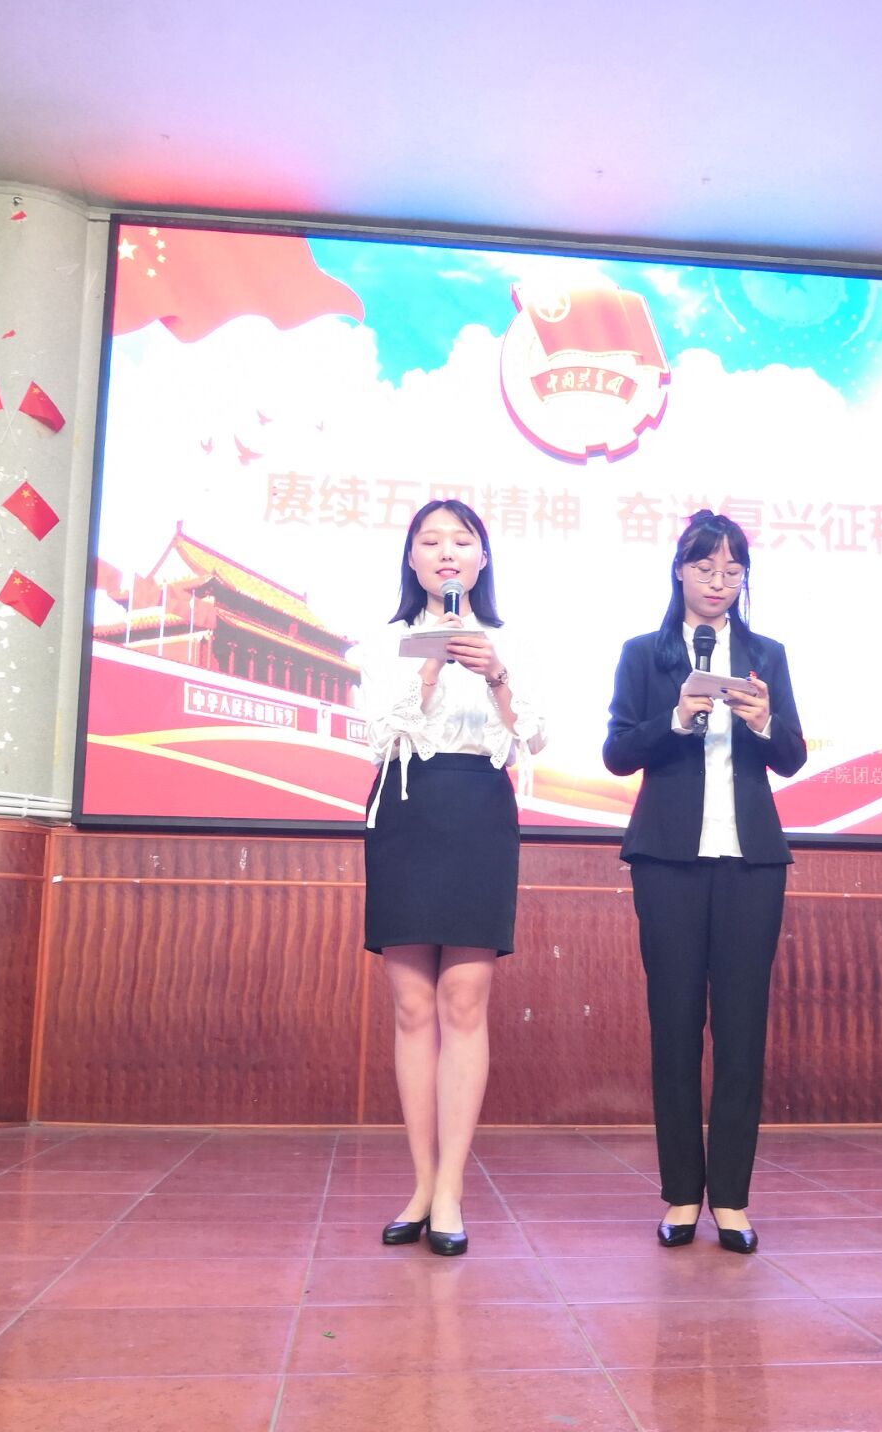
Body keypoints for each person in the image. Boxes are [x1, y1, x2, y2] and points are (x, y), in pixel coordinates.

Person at [603, 509, 807, 1253]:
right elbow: (618, 753)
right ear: (680, 572)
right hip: (668, 861)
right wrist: (676, 717)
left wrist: (763, 721)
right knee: (675, 1026)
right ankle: (682, 1194)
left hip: (752, 861)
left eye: (732, 570)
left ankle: (733, 1200)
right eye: (705, 568)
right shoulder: (643, 654)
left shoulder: (766, 655)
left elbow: (792, 756)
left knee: (743, 1030)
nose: (719, 582)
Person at [358, 498, 545, 1256]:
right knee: (412, 1007)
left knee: (464, 1001)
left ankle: (451, 1191)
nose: (445, 553)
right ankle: (420, 1181)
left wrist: (496, 674)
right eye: (430, 541)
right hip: (406, 807)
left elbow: (534, 736)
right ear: (411, 559)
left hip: (477, 811)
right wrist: (428, 671)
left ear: (481, 558)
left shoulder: (508, 640)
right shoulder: (388, 641)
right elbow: (376, 736)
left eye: (460, 541)